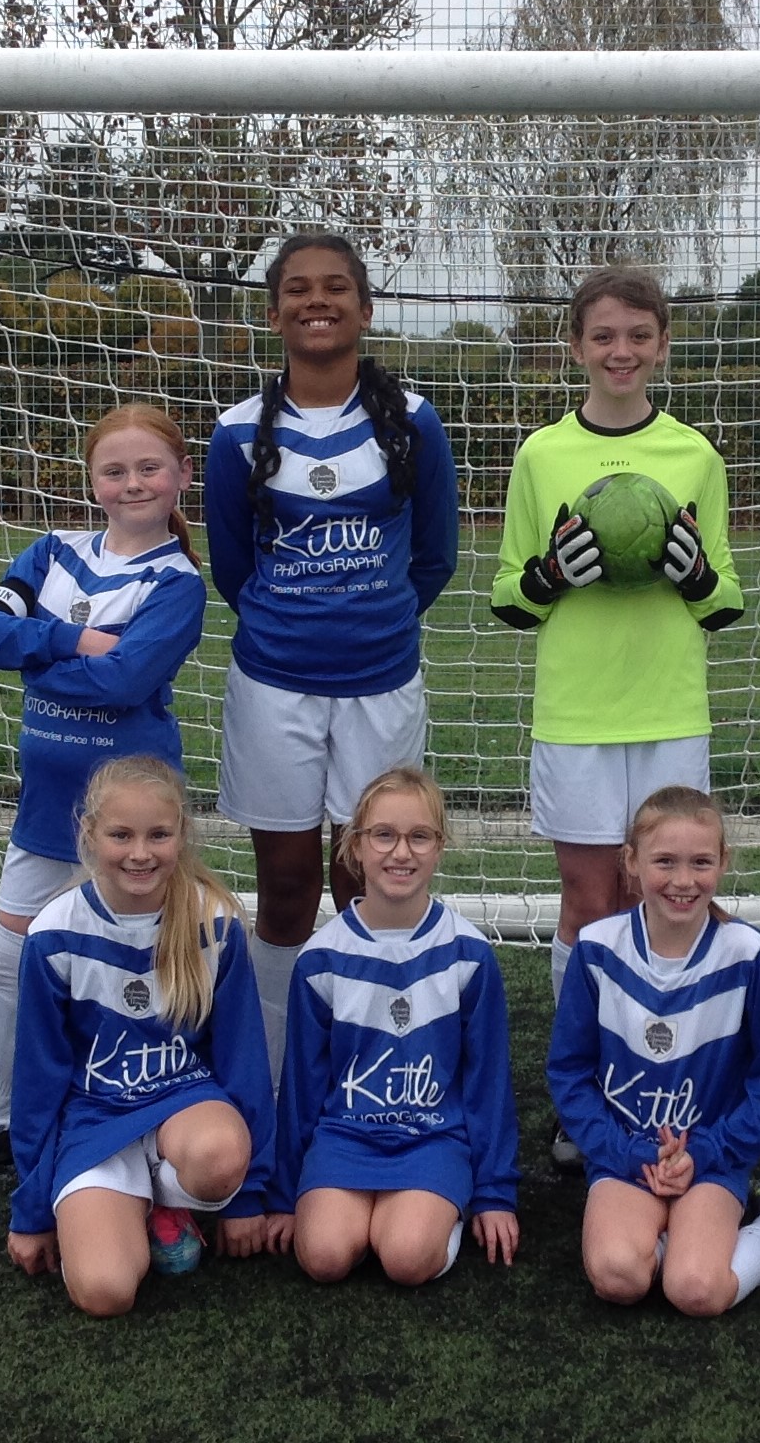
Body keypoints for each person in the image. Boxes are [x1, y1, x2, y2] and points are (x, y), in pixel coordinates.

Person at [0, 404, 207, 1172]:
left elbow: (124, 682)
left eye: (149, 468)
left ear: (181, 476)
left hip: (134, 809)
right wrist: (72, 639)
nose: (133, 483)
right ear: (93, 482)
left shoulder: (177, 582)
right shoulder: (50, 552)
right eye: (114, 470)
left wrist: (34, 658)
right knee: (11, 953)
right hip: (46, 803)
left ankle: (150, 1102)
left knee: (143, 956)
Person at [490, 267, 742, 1166]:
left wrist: (696, 574)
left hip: (670, 707)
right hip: (577, 712)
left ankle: (672, 1078)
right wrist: (548, 575)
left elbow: (724, 601)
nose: (620, 351)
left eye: (638, 335)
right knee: (590, 902)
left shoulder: (695, 455)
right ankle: (585, 1092)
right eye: (602, 336)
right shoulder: (541, 454)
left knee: (666, 897)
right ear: (575, 347)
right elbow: (508, 598)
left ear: (662, 344)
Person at [205, 233, 460, 1090]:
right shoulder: (236, 432)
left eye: (336, 287)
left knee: (368, 880)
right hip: (272, 686)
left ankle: (367, 1062)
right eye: (299, 289)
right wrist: (298, 626)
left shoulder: (413, 423)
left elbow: (434, 558)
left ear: (365, 308)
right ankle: (277, 1075)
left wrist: (369, 622)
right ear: (273, 312)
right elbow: (233, 570)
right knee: (283, 887)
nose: (318, 301)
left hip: (379, 685)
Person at [3, 756, 276, 1317]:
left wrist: (247, 1196)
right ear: (89, 833)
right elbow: (37, 1082)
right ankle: (139, 1206)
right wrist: (31, 1212)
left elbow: (243, 1058)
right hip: (95, 1120)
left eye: (158, 835)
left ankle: (169, 1197)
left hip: (184, 1104)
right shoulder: (54, 933)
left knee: (220, 1156)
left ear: (182, 834)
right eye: (121, 835)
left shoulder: (214, 922)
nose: (140, 853)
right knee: (105, 1293)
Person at [547, 786, 760, 1317]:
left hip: (712, 1156)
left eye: (701, 862)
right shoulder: (597, 949)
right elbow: (570, 1074)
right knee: (618, 1276)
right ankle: (669, 1240)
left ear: (724, 862)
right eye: (664, 861)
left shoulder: (748, 955)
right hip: (627, 1154)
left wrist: (706, 1152)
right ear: (631, 861)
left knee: (696, 1291)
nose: (683, 880)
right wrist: (626, 1151)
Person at [266, 766, 520, 1283]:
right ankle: (366, 1220)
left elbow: (488, 1082)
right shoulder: (322, 958)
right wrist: (284, 1195)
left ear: (439, 846)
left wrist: (495, 1192)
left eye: (419, 837)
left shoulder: (468, 954)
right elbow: (301, 1087)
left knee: (406, 1258)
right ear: (356, 845)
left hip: (433, 1138)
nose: (401, 853)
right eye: (383, 835)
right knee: (323, 1258)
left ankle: (437, 1213)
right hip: (345, 1137)